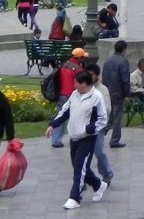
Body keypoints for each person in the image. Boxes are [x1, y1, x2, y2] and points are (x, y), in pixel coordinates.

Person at [45, 70, 109, 210]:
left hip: (87, 139)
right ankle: (98, 185)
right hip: (74, 138)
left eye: (76, 83)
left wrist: (90, 128)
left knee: (79, 168)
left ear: (85, 84)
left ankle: (75, 198)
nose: (74, 85)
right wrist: (52, 125)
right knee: (80, 167)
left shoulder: (97, 97)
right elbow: (64, 112)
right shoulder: (74, 95)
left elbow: (103, 119)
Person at [85, 63, 115, 186]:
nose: (88, 77)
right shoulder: (84, 87)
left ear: (97, 75)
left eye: (91, 75)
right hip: (84, 126)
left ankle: (107, 174)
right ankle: (83, 179)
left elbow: (107, 108)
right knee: (82, 154)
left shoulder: (102, 90)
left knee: (99, 152)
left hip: (98, 126)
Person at [51, 48, 88, 147]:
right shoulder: (78, 69)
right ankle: (77, 137)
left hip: (61, 95)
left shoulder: (64, 64)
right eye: (83, 57)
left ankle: (55, 140)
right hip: (71, 96)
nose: (84, 59)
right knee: (76, 117)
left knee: (60, 116)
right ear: (79, 58)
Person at [101, 40, 130, 149]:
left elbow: (104, 76)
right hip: (118, 93)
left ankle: (100, 133)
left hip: (108, 92)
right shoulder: (123, 61)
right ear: (124, 49)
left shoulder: (108, 60)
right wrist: (127, 94)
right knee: (117, 117)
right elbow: (125, 79)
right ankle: (114, 140)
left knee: (111, 117)